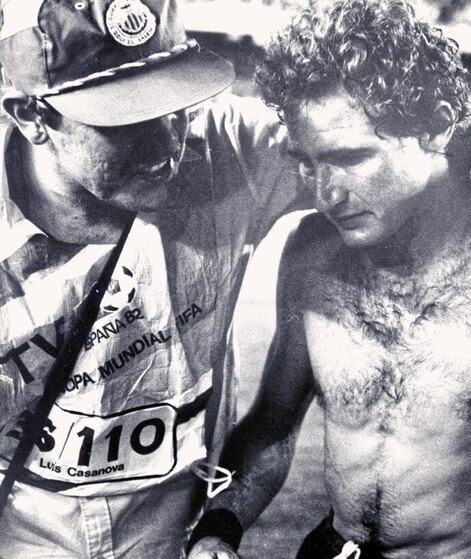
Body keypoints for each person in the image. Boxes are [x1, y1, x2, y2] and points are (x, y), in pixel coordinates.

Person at [186, 0, 471, 557]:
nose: (324, 193)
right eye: (306, 161)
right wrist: (217, 531)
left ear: (435, 127)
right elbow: (274, 427)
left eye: (349, 157)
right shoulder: (311, 254)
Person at [0, 0, 306, 556]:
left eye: (175, 104)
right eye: (126, 120)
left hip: (175, 534)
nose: (168, 144)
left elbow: (399, 147)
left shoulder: (228, 149)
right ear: (31, 116)